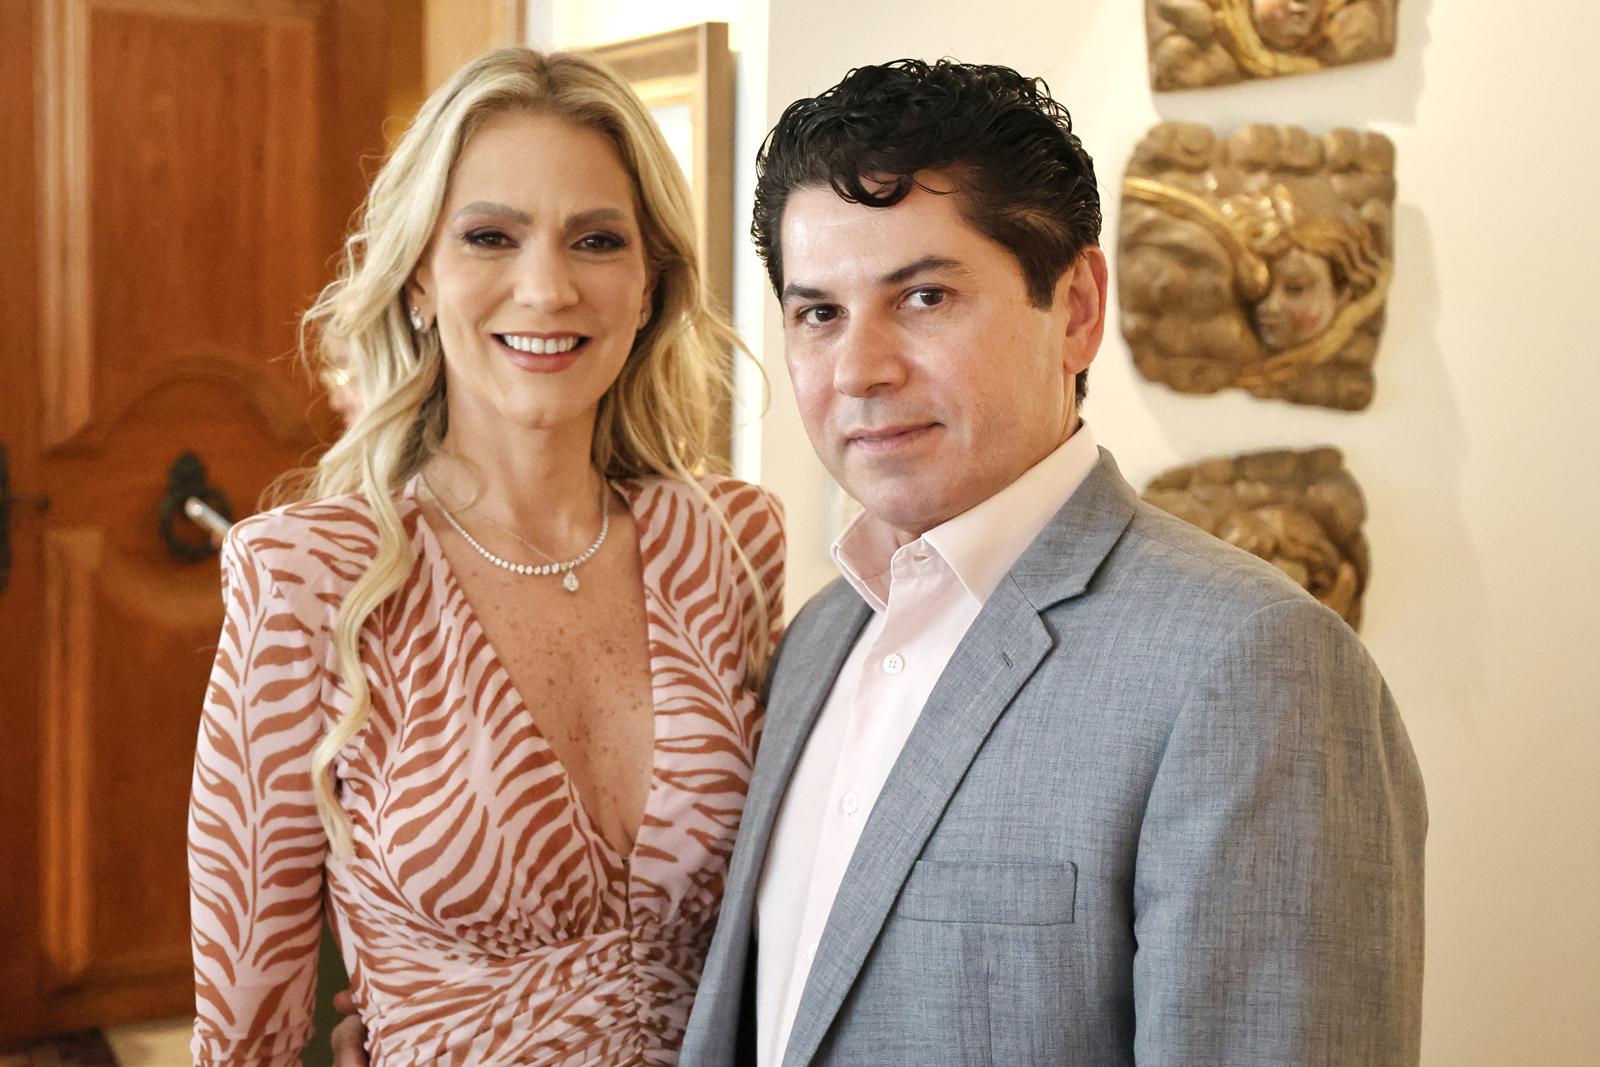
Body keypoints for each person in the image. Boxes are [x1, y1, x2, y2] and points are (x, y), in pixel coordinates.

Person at [681, 59, 1425, 1065]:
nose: (858, 369)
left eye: (924, 296)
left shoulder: (1255, 664)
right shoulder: (814, 639)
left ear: (1075, 308)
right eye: (819, 313)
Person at [188, 47, 784, 1065]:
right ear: (420, 275)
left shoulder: (730, 543)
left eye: (596, 240)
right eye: (489, 237)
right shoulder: (305, 576)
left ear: (649, 284)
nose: (546, 288)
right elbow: (247, 1028)